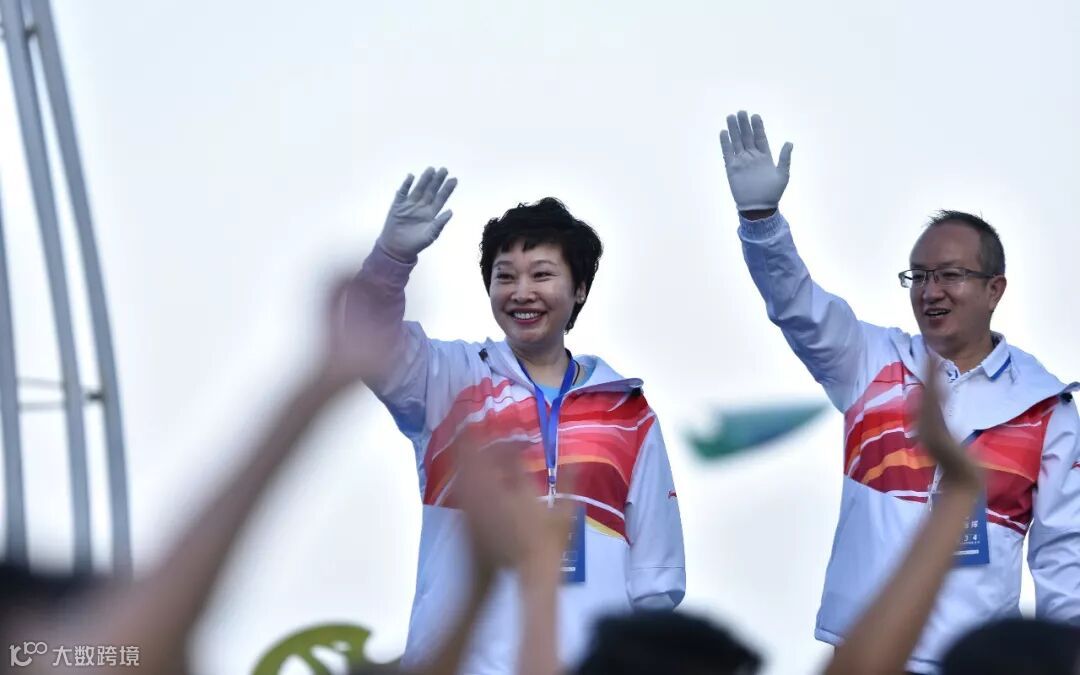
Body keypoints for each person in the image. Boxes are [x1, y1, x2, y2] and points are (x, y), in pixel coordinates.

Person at [718, 110, 1080, 673]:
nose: (931, 291)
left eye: (950, 275)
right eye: (919, 275)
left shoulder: (1043, 407)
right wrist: (762, 222)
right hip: (864, 656)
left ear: (994, 289)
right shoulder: (869, 361)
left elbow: (1065, 559)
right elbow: (796, 305)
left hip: (973, 663)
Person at [347, 167, 685, 673]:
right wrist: (391, 259)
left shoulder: (627, 412)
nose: (521, 291)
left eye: (542, 275)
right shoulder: (448, 380)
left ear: (580, 289)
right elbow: (363, 339)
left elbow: (656, 580)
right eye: (505, 276)